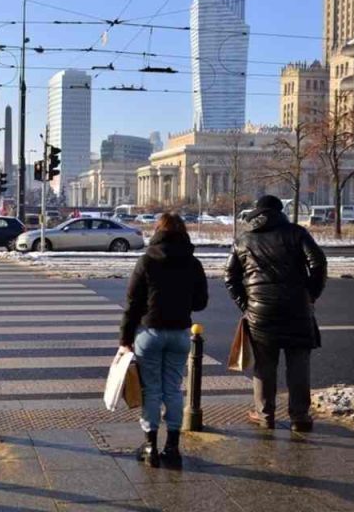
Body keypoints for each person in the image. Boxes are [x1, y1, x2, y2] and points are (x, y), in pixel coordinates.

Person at [224, 195, 327, 431]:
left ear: (257, 212)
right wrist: (310, 295)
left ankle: (265, 415)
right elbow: (318, 263)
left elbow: (230, 278)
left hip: (260, 311)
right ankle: (300, 416)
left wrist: (246, 304)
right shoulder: (296, 233)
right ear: (280, 211)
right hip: (297, 308)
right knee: (298, 363)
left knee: (264, 364)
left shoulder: (243, 240)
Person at [120, 212, 208, 468]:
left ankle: (150, 446)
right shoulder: (193, 263)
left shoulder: (147, 261)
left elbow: (133, 304)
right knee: (172, 389)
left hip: (150, 333)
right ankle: (172, 447)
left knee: (151, 390)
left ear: (158, 230)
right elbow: (201, 303)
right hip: (180, 333)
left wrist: (125, 339)